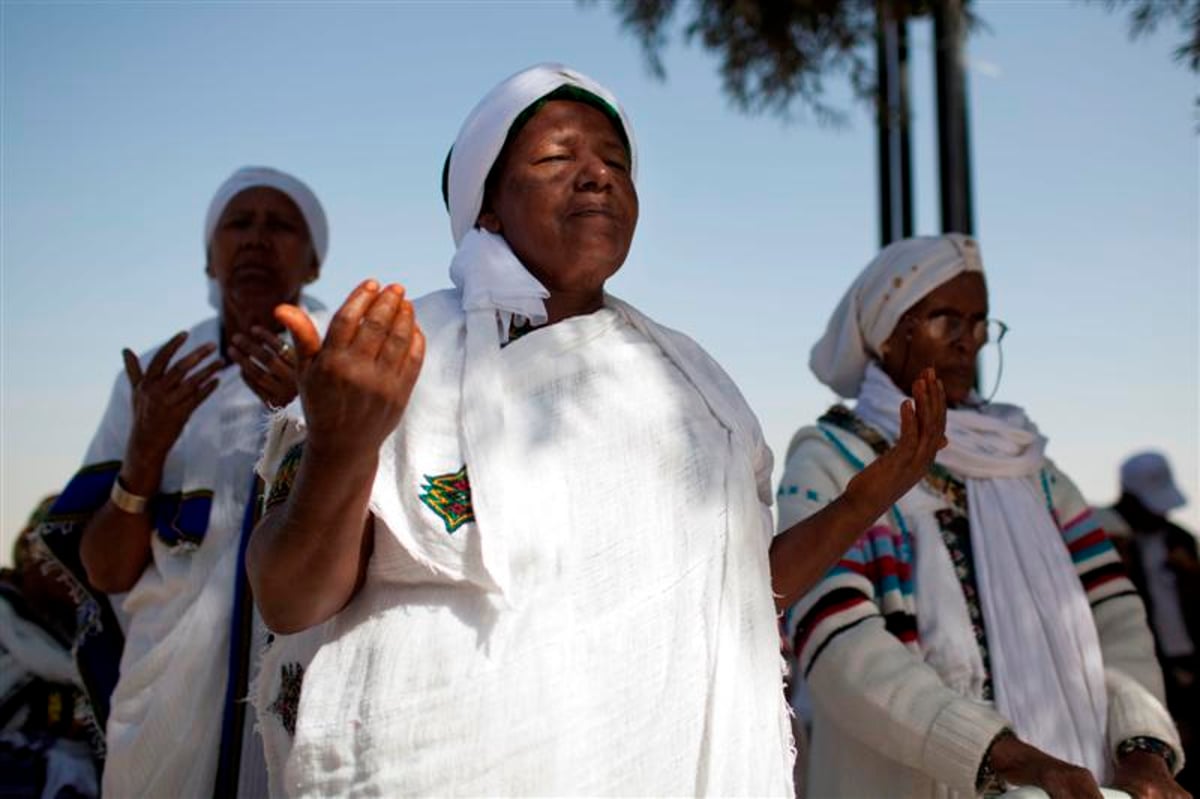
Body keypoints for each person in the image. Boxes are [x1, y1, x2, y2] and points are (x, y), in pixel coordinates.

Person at [246, 63, 945, 796]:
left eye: (615, 161)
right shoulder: (391, 350)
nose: (596, 177)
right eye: (555, 159)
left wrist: (862, 502)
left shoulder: (696, 389)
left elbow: (736, 592)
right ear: (485, 207)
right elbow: (290, 597)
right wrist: (342, 446)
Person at [778, 234, 1188, 798]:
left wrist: (1141, 748)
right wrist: (1002, 754)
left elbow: (1113, 614)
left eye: (979, 323)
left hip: (1069, 775)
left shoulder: (1030, 469)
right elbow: (841, 648)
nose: (968, 341)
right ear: (887, 334)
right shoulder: (830, 461)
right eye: (944, 319)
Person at [35, 166, 329, 798]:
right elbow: (107, 571)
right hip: (166, 716)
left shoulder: (349, 357)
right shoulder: (159, 379)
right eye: (237, 224)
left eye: (280, 225)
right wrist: (144, 454)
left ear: (313, 263)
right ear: (208, 255)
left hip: (313, 702)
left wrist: (319, 421)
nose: (255, 240)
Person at [1104, 451, 1200, 793]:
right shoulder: (1108, 536)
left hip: (1187, 661)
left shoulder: (1180, 540)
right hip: (1143, 663)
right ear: (1129, 497)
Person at [1, 498, 99, 799]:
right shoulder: (6, 617)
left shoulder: (92, 633)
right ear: (32, 555)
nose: (76, 571)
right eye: (64, 554)